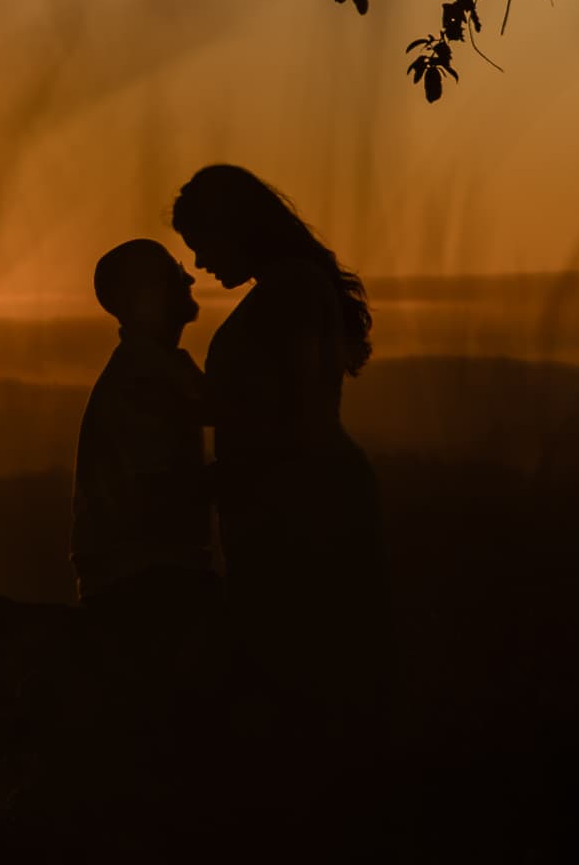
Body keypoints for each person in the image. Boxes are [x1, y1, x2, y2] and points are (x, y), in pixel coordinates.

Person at [170, 163, 383, 677]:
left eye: (201, 242)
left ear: (234, 229)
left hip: (305, 516)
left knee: (304, 675)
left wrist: (207, 473)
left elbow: (287, 413)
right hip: (296, 507)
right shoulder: (290, 289)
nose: (198, 262)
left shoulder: (292, 292)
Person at [70, 238, 215, 608]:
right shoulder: (141, 377)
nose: (189, 281)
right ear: (146, 297)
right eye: (175, 275)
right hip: (140, 587)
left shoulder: (159, 366)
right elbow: (159, 485)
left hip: (143, 577)